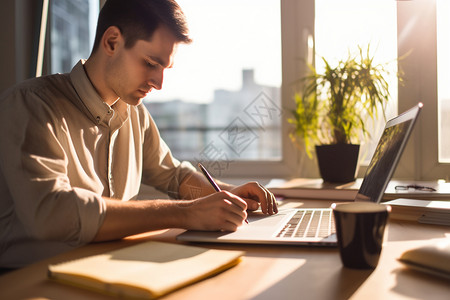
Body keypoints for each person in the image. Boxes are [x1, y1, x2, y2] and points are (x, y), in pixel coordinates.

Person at [0, 0, 278, 269]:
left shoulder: (134, 112)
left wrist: (229, 194)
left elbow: (172, 175)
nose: (158, 83)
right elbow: (52, 212)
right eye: (150, 63)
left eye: (164, 69)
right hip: (29, 278)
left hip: (106, 267)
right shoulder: (30, 105)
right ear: (112, 42)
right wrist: (187, 213)